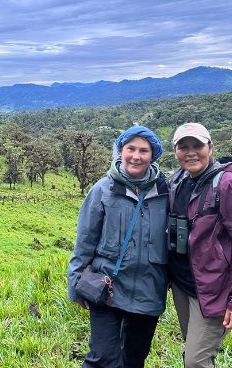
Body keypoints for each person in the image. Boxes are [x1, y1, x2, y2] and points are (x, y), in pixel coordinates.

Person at [67, 125, 169, 368]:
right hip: (107, 287)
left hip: (148, 289)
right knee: (102, 358)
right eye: (130, 148)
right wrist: (75, 283)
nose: (136, 155)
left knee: (134, 358)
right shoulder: (103, 189)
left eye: (143, 150)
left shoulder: (167, 192)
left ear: (152, 155)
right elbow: (85, 240)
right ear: (120, 151)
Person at [168, 123, 232, 368]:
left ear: (210, 147)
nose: (191, 152)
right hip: (183, 285)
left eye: (198, 145)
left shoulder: (228, 185)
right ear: (175, 151)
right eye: (184, 147)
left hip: (215, 289)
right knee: (192, 350)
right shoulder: (178, 180)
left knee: (195, 361)